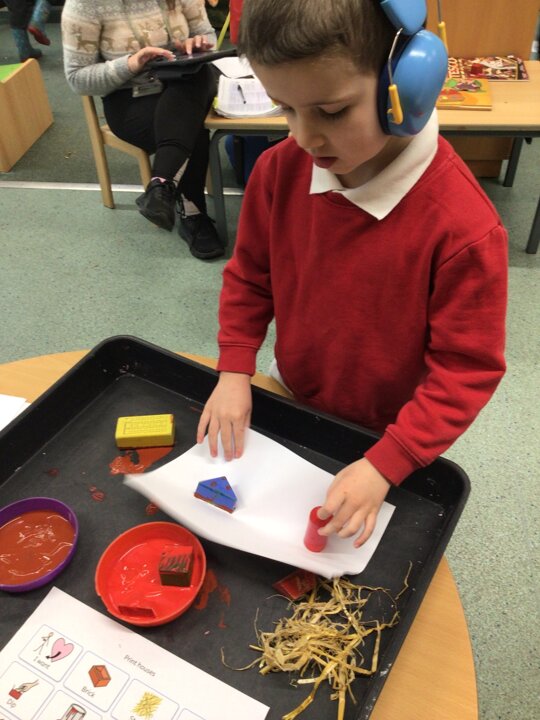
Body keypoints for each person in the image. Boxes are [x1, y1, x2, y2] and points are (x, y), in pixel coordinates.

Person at [196, 0, 508, 547]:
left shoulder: (466, 230)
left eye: (332, 112)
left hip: (389, 431)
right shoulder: (278, 171)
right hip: (291, 388)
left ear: (406, 87)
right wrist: (234, 370)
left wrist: (388, 462)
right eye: (286, 109)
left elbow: (466, 370)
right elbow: (250, 277)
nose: (304, 138)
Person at [61, 0, 224, 260]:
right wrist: (131, 64)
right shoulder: (85, 5)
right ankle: (192, 212)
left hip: (185, 81)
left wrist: (197, 45)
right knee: (191, 122)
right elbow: (77, 78)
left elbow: (207, 36)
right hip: (131, 99)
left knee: (197, 77)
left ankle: (163, 186)